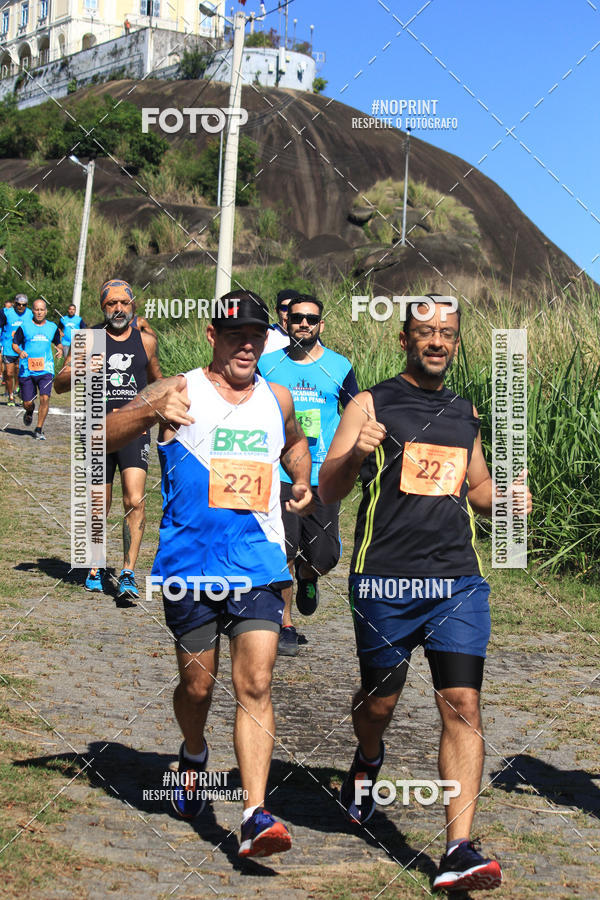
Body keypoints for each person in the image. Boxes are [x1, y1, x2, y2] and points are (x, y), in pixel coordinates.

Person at [319, 296, 532, 894]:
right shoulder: (370, 403)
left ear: (456, 344)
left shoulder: (465, 412)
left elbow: (477, 487)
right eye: (425, 332)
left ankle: (458, 848)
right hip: (384, 581)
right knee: (379, 704)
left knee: (462, 702)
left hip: (457, 583)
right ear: (404, 340)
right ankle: (367, 758)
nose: (437, 341)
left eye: (447, 333)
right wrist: (357, 452)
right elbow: (329, 487)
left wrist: (505, 500)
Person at [149, 290, 313, 857]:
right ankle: (194, 752)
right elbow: (104, 432)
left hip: (258, 562)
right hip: (190, 566)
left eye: (256, 336)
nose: (247, 345)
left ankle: (253, 814)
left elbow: (295, 443)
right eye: (235, 334)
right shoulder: (178, 390)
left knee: (256, 684)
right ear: (212, 336)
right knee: (198, 687)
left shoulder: (278, 397)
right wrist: (148, 412)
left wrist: (302, 479)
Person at [260, 293, 359, 656]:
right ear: (285, 322)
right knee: (282, 547)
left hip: (323, 474)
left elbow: (355, 412)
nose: (304, 323)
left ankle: (308, 575)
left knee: (325, 553)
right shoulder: (266, 364)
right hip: (280, 472)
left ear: (321, 325)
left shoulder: (339, 366)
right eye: (297, 317)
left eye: (311, 319)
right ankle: (284, 623)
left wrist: (353, 456)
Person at [55, 278, 162, 602]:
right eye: (111, 303)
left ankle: (128, 572)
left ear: (133, 305)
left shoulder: (146, 341)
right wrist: (81, 368)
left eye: (123, 303)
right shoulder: (88, 339)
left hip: (133, 431)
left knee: (135, 499)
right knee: (98, 504)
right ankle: (95, 565)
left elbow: (157, 381)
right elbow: (59, 384)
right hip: (97, 432)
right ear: (103, 307)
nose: (118, 309)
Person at [12, 298, 63, 439]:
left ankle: (39, 429)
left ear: (46, 311)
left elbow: (58, 343)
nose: (39, 312)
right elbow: (14, 344)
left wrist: (59, 350)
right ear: (32, 311)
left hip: (46, 369)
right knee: (27, 403)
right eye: (36, 309)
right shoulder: (24, 327)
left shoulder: (52, 327)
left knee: (45, 398)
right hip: (27, 370)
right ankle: (29, 410)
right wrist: (20, 352)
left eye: (42, 310)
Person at [0, 293, 33, 406]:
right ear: (15, 303)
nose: (21, 307)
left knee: (20, 371)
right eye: (19, 304)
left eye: (24, 305)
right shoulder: (6, 313)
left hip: (23, 348)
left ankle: (18, 389)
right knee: (9, 373)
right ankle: (10, 396)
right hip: (9, 347)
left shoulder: (30, 314)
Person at [262, 288, 298, 355]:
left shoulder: (309, 337)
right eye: (285, 308)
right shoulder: (264, 333)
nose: (289, 313)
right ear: (277, 311)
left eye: (294, 308)